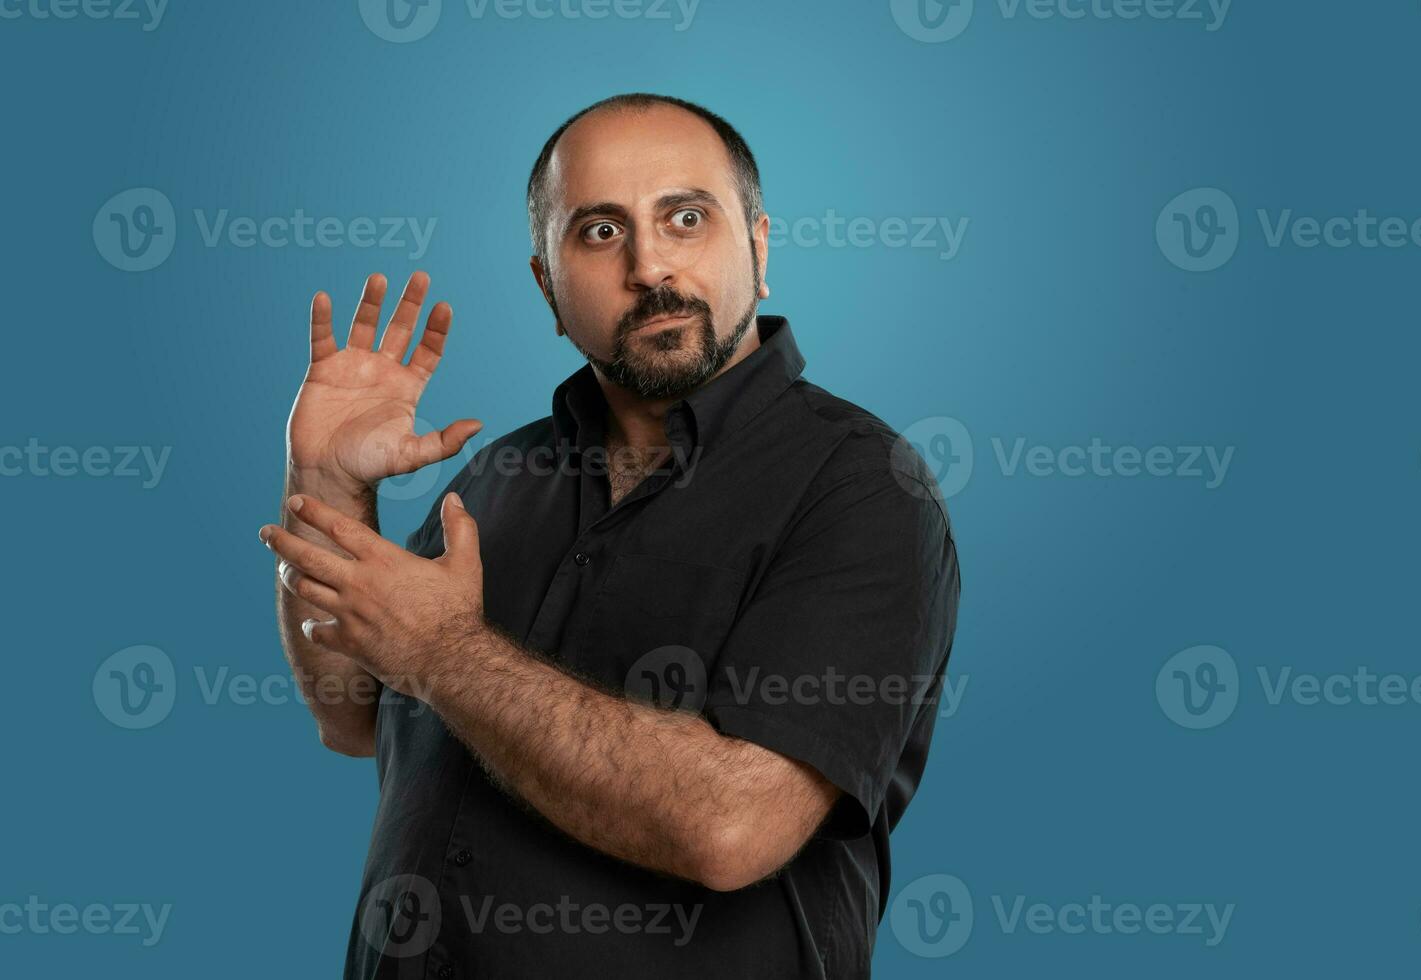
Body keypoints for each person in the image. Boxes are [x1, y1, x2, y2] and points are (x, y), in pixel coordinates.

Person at [259, 93, 960, 979]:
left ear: (760, 246)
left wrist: (445, 653)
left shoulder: (862, 486)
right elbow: (351, 714)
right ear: (548, 287)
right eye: (598, 231)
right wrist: (325, 486)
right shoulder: (494, 480)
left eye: (687, 218)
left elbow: (731, 826)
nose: (649, 266)